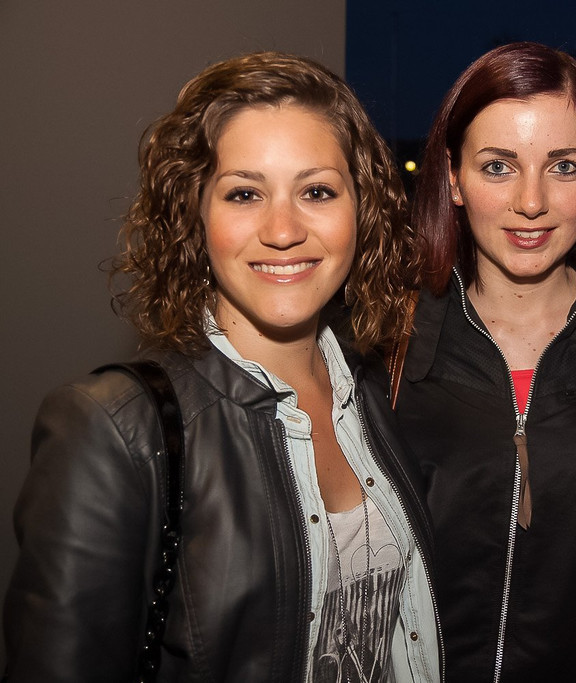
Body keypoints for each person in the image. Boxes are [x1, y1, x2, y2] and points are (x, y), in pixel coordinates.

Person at [3, 52, 441, 682]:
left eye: (317, 191)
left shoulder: (374, 388)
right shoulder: (114, 430)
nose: (283, 230)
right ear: (196, 215)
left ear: (361, 210)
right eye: (244, 194)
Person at [389, 42, 576, 681]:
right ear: (453, 179)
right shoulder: (382, 338)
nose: (531, 201)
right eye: (498, 166)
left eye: (563, 166)